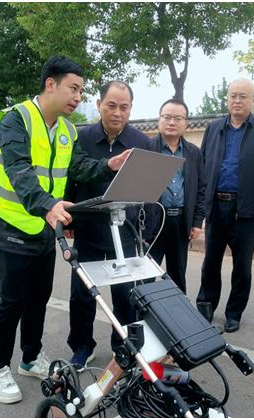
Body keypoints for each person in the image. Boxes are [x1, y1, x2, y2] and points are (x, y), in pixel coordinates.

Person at [0, 56, 130, 404]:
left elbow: (77, 167)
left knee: (39, 297)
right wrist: (49, 205)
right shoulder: (14, 120)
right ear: (51, 84)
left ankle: (31, 357)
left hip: (44, 228)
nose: (78, 97)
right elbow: (19, 172)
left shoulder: (66, 130)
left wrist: (108, 164)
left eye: (81, 90)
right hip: (10, 225)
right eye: (73, 88)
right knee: (12, 300)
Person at [65, 81, 152, 370]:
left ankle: (122, 347)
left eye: (123, 107)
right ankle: (81, 345)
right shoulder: (81, 137)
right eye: (111, 105)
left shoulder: (142, 142)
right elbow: (71, 178)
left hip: (124, 232)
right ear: (100, 104)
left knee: (125, 295)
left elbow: (147, 191)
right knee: (82, 293)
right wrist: (68, 220)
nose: (117, 112)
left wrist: (145, 233)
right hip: (87, 229)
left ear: (130, 109)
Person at [196, 79, 254, 333]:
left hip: (245, 208)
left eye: (243, 96)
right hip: (216, 205)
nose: (237, 101)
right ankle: (205, 307)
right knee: (211, 261)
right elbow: (202, 166)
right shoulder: (214, 128)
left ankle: (234, 313)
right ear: (227, 99)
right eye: (233, 96)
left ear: (253, 100)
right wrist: (200, 204)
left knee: (242, 265)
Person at [148, 99, 206, 293]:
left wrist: (197, 222)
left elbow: (201, 189)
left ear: (186, 123)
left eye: (177, 118)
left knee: (178, 275)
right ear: (159, 120)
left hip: (181, 221)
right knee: (146, 273)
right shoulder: (147, 148)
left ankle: (176, 318)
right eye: (167, 117)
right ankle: (142, 318)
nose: (172, 122)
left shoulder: (194, 153)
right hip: (153, 222)